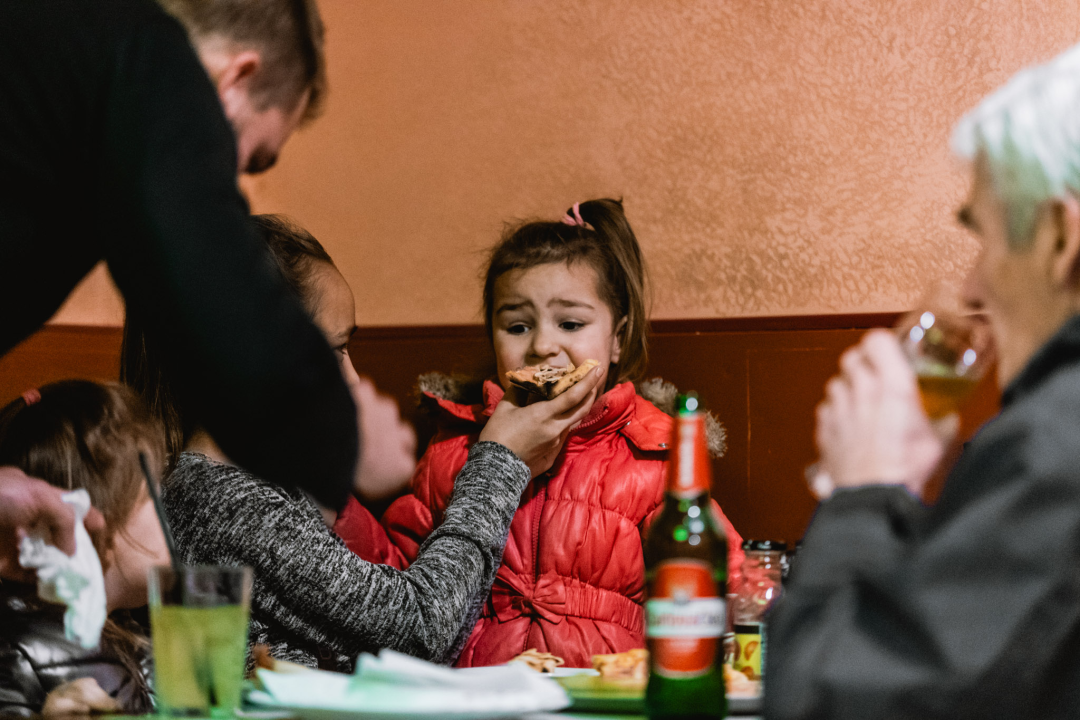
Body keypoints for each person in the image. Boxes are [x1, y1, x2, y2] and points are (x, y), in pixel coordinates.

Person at [0, 0, 387, 573]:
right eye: (249, 160)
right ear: (236, 78)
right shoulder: (153, 64)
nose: (223, 183)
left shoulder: (69, 73)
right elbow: (208, 282)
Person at [124, 214, 601, 669]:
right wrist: (499, 460)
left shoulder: (237, 490)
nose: (352, 380)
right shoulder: (223, 504)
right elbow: (421, 630)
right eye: (334, 351)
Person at [765, 44, 1080, 719]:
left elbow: (831, 703)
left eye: (985, 239)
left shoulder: (1057, 451)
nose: (972, 285)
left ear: (1060, 238)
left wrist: (865, 491)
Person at [353, 199, 746, 668]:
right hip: (481, 700)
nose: (542, 346)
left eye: (571, 324)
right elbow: (397, 586)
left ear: (617, 338)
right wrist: (337, 508)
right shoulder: (455, 453)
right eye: (517, 326)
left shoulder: (654, 458)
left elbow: (726, 587)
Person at [0, 381, 170, 716]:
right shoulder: (20, 651)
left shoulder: (126, 633)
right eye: (152, 496)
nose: (168, 507)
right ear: (97, 523)